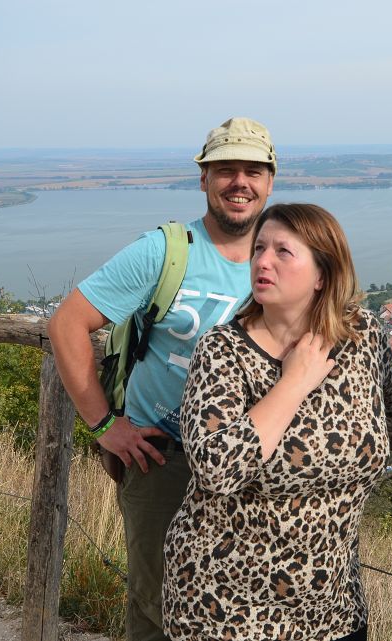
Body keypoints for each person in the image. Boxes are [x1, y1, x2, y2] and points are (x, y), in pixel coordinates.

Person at [47, 117, 276, 641]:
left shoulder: (281, 256)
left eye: (253, 171)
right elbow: (67, 323)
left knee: (242, 613)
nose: (239, 182)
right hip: (164, 462)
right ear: (204, 178)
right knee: (160, 607)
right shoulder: (168, 251)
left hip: (251, 469)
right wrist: (104, 426)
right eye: (226, 170)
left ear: (270, 181)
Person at [161, 203, 392, 641]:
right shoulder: (222, 351)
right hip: (225, 609)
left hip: (334, 609)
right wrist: (294, 382)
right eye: (259, 248)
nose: (262, 261)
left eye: (283, 251)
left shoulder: (362, 335)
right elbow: (216, 468)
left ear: (323, 274)